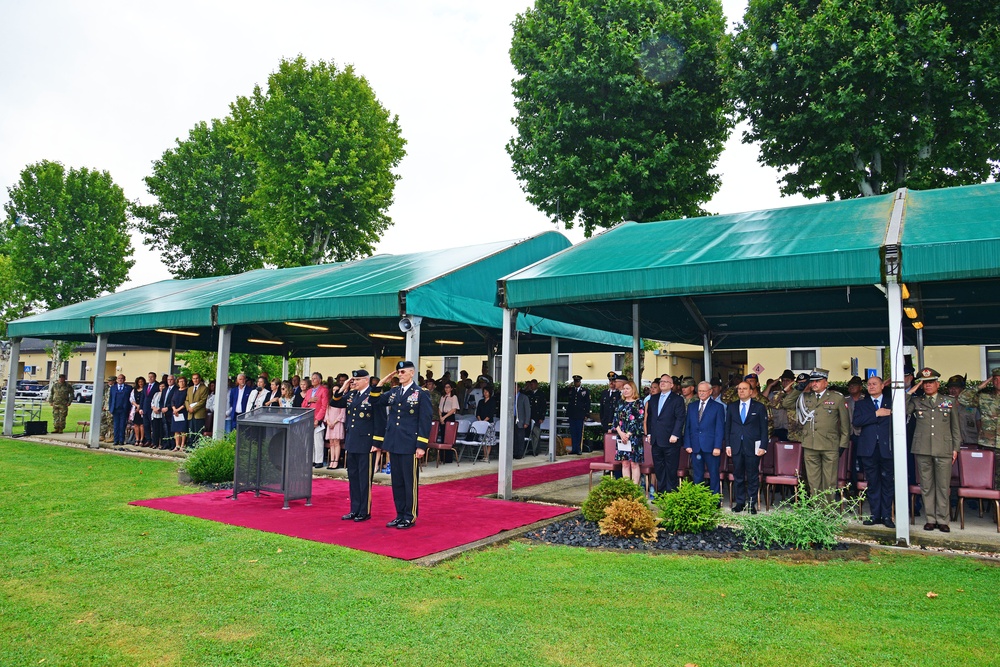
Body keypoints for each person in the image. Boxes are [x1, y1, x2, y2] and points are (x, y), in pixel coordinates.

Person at [372, 361, 432, 529]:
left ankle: (410, 515)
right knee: (397, 481)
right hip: (394, 442)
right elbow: (375, 401)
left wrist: (421, 445)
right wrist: (382, 382)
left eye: (403, 372)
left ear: (412, 373)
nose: (400, 374)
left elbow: (425, 420)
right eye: (398, 372)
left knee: (409, 481)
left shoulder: (421, 393)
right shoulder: (394, 392)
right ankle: (399, 514)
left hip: (410, 443)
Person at [907, 368, 962, 532]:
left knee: (943, 486)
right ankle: (930, 518)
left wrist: (956, 448)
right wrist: (911, 391)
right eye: (925, 383)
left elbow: (955, 428)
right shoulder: (917, 401)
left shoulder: (948, 401)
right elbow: (900, 410)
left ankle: (943, 519)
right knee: (927, 486)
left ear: (938, 383)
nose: (928, 385)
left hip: (943, 448)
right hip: (923, 448)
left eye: (931, 382)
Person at [781, 368, 850, 495]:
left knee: (829, 481)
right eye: (812, 381)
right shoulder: (805, 397)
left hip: (830, 445)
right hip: (810, 444)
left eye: (818, 381)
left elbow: (845, 425)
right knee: (813, 481)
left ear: (826, 382)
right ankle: (816, 510)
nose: (814, 384)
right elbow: (786, 403)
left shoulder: (837, 398)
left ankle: (827, 511)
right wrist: (798, 389)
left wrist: (843, 444)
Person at [333, 370, 385, 522]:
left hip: (367, 443)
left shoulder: (374, 395)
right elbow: (335, 402)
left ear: (366, 380)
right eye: (352, 380)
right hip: (352, 441)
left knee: (364, 479)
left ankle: (364, 511)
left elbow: (380, 420)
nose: (353, 382)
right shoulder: (352, 395)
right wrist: (344, 386)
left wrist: (376, 443)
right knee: (353, 477)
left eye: (356, 380)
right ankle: (354, 509)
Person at [852, 375, 895, 528]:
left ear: (882, 385)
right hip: (868, 449)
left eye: (874, 384)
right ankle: (875, 515)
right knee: (873, 483)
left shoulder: (891, 402)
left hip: (887, 448)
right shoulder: (862, 404)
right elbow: (856, 422)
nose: (871, 386)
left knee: (887, 483)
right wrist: (876, 414)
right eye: (869, 384)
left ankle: (887, 516)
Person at [725, 381, 769, 513]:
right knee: (738, 475)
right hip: (736, 446)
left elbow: (764, 429)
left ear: (751, 391)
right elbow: (727, 427)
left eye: (744, 389)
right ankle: (739, 503)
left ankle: (751, 503)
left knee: (752, 476)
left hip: (753, 446)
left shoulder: (759, 407)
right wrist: (728, 445)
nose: (741, 391)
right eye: (739, 389)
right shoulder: (731, 407)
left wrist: (763, 446)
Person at [958, 368, 1000, 491]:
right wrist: (981, 385)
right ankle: (994, 506)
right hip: (988, 443)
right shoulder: (984, 397)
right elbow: (962, 399)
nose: (998, 382)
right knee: (990, 477)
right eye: (995, 379)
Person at [647, 374, 686, 493]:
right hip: (656, 439)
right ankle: (661, 492)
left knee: (671, 467)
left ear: (672, 385)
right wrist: (649, 433)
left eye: (665, 381)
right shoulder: (653, 398)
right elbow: (650, 418)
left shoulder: (677, 399)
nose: (662, 383)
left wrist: (675, 434)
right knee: (659, 467)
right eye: (661, 381)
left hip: (670, 440)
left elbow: (680, 418)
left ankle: (671, 493)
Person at [686, 381, 726, 496]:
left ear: (710, 392)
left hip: (711, 447)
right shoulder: (692, 406)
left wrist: (717, 446)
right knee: (697, 475)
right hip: (695, 446)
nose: (701, 393)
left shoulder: (718, 407)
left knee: (714, 474)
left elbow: (720, 428)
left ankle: (715, 500)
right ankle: (699, 499)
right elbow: (688, 426)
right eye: (699, 391)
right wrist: (688, 444)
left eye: (704, 391)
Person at [612, 379, 645, 485]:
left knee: (634, 464)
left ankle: (634, 488)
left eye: (627, 389)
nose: (625, 391)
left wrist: (629, 434)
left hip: (634, 437)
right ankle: (627, 487)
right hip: (621, 437)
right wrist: (621, 433)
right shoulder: (620, 403)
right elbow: (615, 420)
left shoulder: (638, 403)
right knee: (625, 463)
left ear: (633, 389)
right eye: (624, 389)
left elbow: (639, 420)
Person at [302, 372, 330, 469]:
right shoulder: (309, 391)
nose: (312, 380)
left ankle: (319, 460)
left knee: (318, 440)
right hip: (308, 417)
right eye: (312, 378)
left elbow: (324, 406)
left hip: (317, 418)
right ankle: (311, 460)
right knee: (309, 441)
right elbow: (303, 404)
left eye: (315, 378)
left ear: (320, 380)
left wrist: (318, 419)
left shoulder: (324, 390)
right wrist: (309, 400)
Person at [325, 375, 347, 469]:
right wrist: (328, 421)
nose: (335, 391)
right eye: (334, 390)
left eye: (337, 390)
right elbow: (327, 413)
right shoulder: (330, 401)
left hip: (337, 424)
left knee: (337, 443)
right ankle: (331, 460)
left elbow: (342, 414)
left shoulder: (342, 401)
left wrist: (334, 422)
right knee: (331, 443)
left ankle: (336, 461)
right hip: (330, 423)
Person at [566, 375, 591, 455]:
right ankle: (574, 448)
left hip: (580, 415)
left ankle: (579, 449)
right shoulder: (570, 390)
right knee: (573, 432)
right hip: (572, 414)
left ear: (580, 382)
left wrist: (586, 414)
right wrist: (567, 387)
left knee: (579, 432)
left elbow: (587, 403)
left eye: (577, 381)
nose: (576, 383)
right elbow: (562, 394)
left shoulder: (585, 391)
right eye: (575, 382)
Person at [186, 373, 209, 446]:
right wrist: (188, 408)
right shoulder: (190, 389)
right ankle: (190, 445)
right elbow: (186, 400)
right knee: (191, 430)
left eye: (196, 378)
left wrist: (194, 408)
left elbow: (203, 400)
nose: (195, 380)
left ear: (199, 379)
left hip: (198, 414)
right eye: (193, 378)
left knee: (198, 431)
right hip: (190, 413)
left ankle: (197, 446)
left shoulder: (204, 388)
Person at [108, 374, 131, 447]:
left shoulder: (128, 388)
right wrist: (110, 408)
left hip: (124, 409)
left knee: (122, 425)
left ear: (124, 379)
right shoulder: (113, 388)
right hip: (115, 409)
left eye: (122, 378)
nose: (120, 380)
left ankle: (121, 440)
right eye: (119, 378)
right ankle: (116, 440)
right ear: (117, 380)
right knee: (116, 425)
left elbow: (130, 399)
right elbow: (111, 399)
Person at [158, 375, 178, 448]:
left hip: (171, 411)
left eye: (171, 379)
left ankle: (172, 444)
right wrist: (161, 408)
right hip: (164, 412)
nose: (169, 381)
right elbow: (161, 401)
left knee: (171, 429)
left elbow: (174, 401)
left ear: (174, 380)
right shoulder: (165, 390)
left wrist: (168, 408)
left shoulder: (176, 389)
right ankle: (166, 444)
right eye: (168, 379)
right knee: (165, 429)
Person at [170, 376, 189, 452]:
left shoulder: (187, 391)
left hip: (182, 412)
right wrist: (174, 409)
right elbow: (172, 401)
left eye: (183, 381)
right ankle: (177, 445)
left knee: (183, 430)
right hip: (175, 413)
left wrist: (178, 409)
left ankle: (182, 445)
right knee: (176, 430)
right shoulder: (176, 391)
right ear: (178, 383)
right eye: (180, 381)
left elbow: (186, 402)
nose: (182, 383)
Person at [514, 383, 531, 459]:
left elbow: (527, 410)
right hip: (512, 419)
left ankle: (520, 453)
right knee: (513, 437)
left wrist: (526, 422)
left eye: (515, 388)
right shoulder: (510, 397)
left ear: (518, 388)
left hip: (520, 420)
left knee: (520, 437)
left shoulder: (524, 397)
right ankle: (514, 452)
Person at [140, 371, 158, 444]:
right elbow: (143, 398)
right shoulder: (145, 386)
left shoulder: (157, 386)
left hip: (153, 409)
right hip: (145, 409)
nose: (150, 378)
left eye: (152, 377)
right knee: (146, 425)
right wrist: (141, 408)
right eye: (149, 377)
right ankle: (148, 440)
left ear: (155, 378)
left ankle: (154, 441)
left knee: (153, 426)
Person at [129, 376, 146, 445]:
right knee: (136, 425)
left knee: (142, 425)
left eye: (142, 382)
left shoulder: (145, 389)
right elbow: (131, 399)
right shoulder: (134, 390)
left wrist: (140, 407)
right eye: (139, 382)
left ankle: (142, 439)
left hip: (142, 408)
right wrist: (136, 406)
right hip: (135, 408)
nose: (140, 383)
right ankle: (137, 439)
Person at [149, 381, 166, 449]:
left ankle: (161, 444)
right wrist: (154, 408)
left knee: (161, 430)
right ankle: (155, 443)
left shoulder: (165, 394)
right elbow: (152, 402)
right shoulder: (156, 394)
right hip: (154, 414)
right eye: (160, 386)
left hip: (161, 414)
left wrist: (159, 409)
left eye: (163, 386)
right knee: (155, 430)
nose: (161, 388)